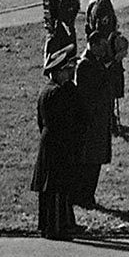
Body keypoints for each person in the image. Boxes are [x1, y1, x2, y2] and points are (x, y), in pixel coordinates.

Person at [33, 46, 88, 241]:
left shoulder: (49, 90)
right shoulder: (58, 93)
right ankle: (56, 228)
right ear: (59, 71)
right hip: (58, 144)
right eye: (68, 69)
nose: (71, 73)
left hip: (51, 143)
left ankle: (58, 224)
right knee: (56, 188)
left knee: (56, 188)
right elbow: (70, 120)